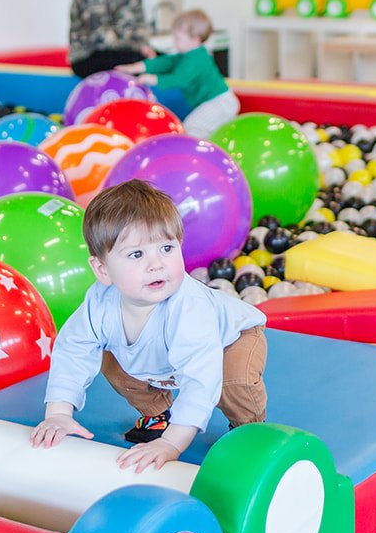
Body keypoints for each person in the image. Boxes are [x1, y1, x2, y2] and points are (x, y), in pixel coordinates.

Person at [31, 180, 268, 472]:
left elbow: (201, 379)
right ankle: (155, 414)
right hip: (161, 361)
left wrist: (171, 444)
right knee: (111, 359)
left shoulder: (189, 309)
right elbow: (73, 350)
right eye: (137, 254)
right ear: (103, 270)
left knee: (233, 384)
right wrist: (58, 412)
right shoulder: (99, 303)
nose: (156, 264)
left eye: (167, 248)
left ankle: (250, 429)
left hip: (232, 340)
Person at [117, 9, 239, 138]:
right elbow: (165, 62)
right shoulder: (186, 55)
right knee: (196, 127)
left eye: (178, 38)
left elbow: (180, 79)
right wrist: (135, 68)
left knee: (192, 127)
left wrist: (152, 79)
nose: (174, 42)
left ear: (195, 40)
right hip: (214, 102)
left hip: (219, 102)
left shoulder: (198, 57)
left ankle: (198, 154)